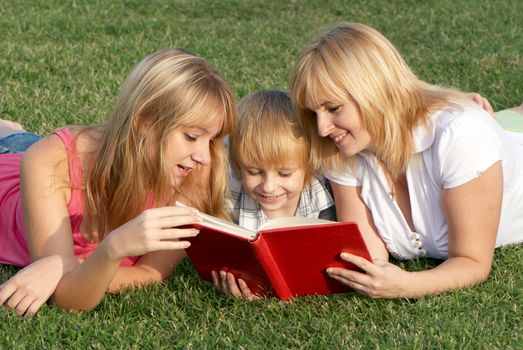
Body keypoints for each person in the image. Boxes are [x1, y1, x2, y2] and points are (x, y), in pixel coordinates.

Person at [289, 22, 523, 298]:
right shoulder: (340, 147)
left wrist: (407, 285)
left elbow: (472, 262)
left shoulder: (461, 137)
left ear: (372, 91)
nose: (322, 128)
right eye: (314, 113)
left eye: (333, 108)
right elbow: (367, 255)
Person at [0, 48, 236, 317]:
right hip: (12, 175)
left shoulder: (194, 173)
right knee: (17, 145)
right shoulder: (48, 162)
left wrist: (75, 263)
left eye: (212, 139)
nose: (205, 157)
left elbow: (149, 272)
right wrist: (114, 247)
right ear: (145, 121)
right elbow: (67, 295)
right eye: (192, 136)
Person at [212, 89, 336, 300]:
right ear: (238, 166)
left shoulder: (322, 192)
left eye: (284, 173)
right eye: (254, 171)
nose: (269, 187)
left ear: (308, 167)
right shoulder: (228, 186)